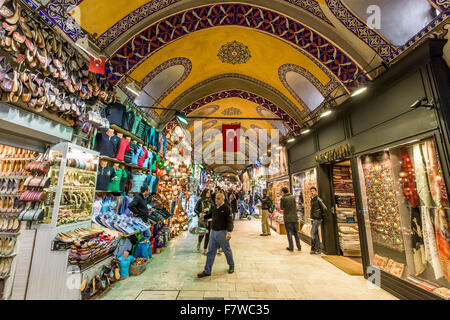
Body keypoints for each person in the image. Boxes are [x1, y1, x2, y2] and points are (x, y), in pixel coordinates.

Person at [197, 192, 235, 278]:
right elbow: (211, 214)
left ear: (223, 199)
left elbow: (230, 221)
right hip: (213, 232)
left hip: (222, 233)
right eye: (216, 198)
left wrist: (229, 232)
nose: (216, 200)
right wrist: (204, 217)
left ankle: (231, 265)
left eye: (218, 199)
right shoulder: (214, 207)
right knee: (211, 252)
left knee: (226, 250)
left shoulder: (226, 208)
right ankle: (207, 270)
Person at [280, 187, 301, 252]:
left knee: (289, 232)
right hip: (294, 217)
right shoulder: (293, 197)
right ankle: (299, 246)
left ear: (283, 192)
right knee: (296, 232)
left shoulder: (283, 198)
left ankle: (291, 247)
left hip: (287, 218)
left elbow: (281, 208)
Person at [194, 189, 213, 254]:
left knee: (208, 234)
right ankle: (199, 243)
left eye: (209, 192)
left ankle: (205, 249)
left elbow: (213, 209)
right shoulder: (200, 200)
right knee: (202, 233)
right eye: (207, 192)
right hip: (202, 219)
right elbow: (195, 209)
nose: (209, 194)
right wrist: (199, 214)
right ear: (204, 193)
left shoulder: (211, 201)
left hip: (209, 220)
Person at [310, 187, 327, 254]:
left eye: (313, 191)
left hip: (317, 219)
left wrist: (320, 215)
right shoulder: (312, 199)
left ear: (316, 191)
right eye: (311, 191)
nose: (312, 192)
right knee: (315, 233)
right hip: (313, 218)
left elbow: (325, 208)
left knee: (312, 233)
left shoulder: (318, 199)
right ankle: (318, 249)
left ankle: (313, 248)